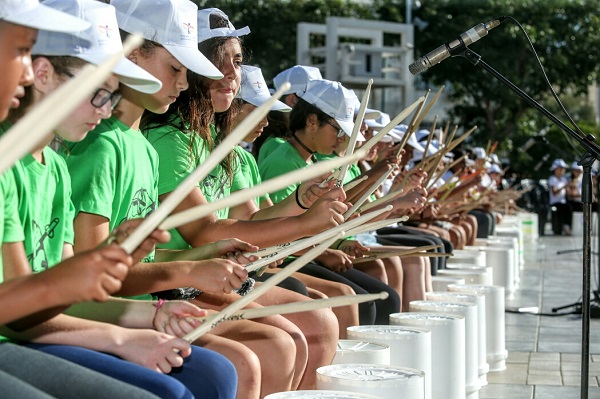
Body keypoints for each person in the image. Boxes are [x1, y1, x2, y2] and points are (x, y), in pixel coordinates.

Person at [142, 8, 341, 394]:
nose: (234, 74)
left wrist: (301, 202)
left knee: (316, 322)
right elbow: (203, 232)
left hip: (205, 272)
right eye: (220, 62)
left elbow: (249, 218)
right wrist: (303, 223)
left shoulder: (205, 141)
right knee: (288, 338)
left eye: (237, 61)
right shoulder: (169, 140)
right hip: (179, 278)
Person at [0, 1, 164, 398]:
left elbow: (53, 288)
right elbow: (23, 304)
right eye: (22, 49)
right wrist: (121, 334)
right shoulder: (10, 164)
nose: (107, 113)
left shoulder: (54, 169)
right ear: (44, 74)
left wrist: (149, 312)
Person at [259, 78, 401, 324]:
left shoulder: (310, 161)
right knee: (357, 299)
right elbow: (281, 230)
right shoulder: (284, 162)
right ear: (312, 121)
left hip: (307, 252)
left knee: (383, 297)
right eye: (338, 130)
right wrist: (324, 252)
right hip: (290, 257)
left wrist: (342, 240)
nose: (341, 139)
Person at [548, 158, 571, 235]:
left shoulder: (564, 179)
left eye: (563, 169)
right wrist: (563, 187)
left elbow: (567, 192)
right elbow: (554, 192)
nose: (562, 170)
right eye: (560, 169)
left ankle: (566, 226)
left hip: (563, 202)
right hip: (555, 202)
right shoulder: (552, 179)